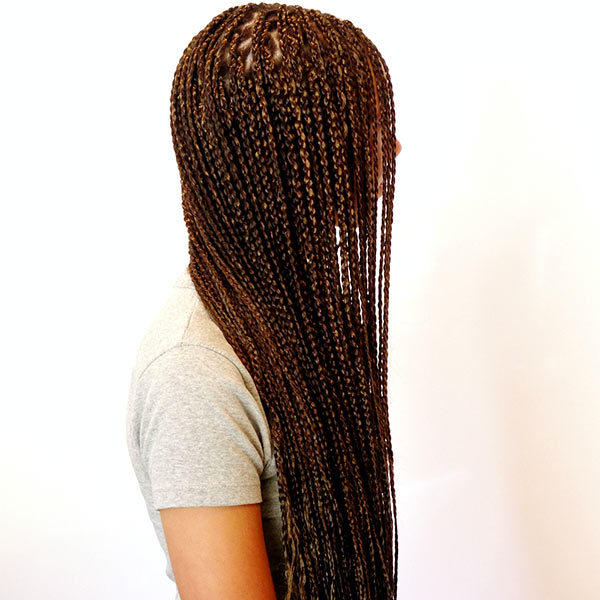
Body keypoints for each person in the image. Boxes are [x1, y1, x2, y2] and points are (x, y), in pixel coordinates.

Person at [126, 3, 402, 599]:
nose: (394, 148)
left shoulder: (295, 309)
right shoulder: (195, 376)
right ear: (289, 156)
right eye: (370, 127)